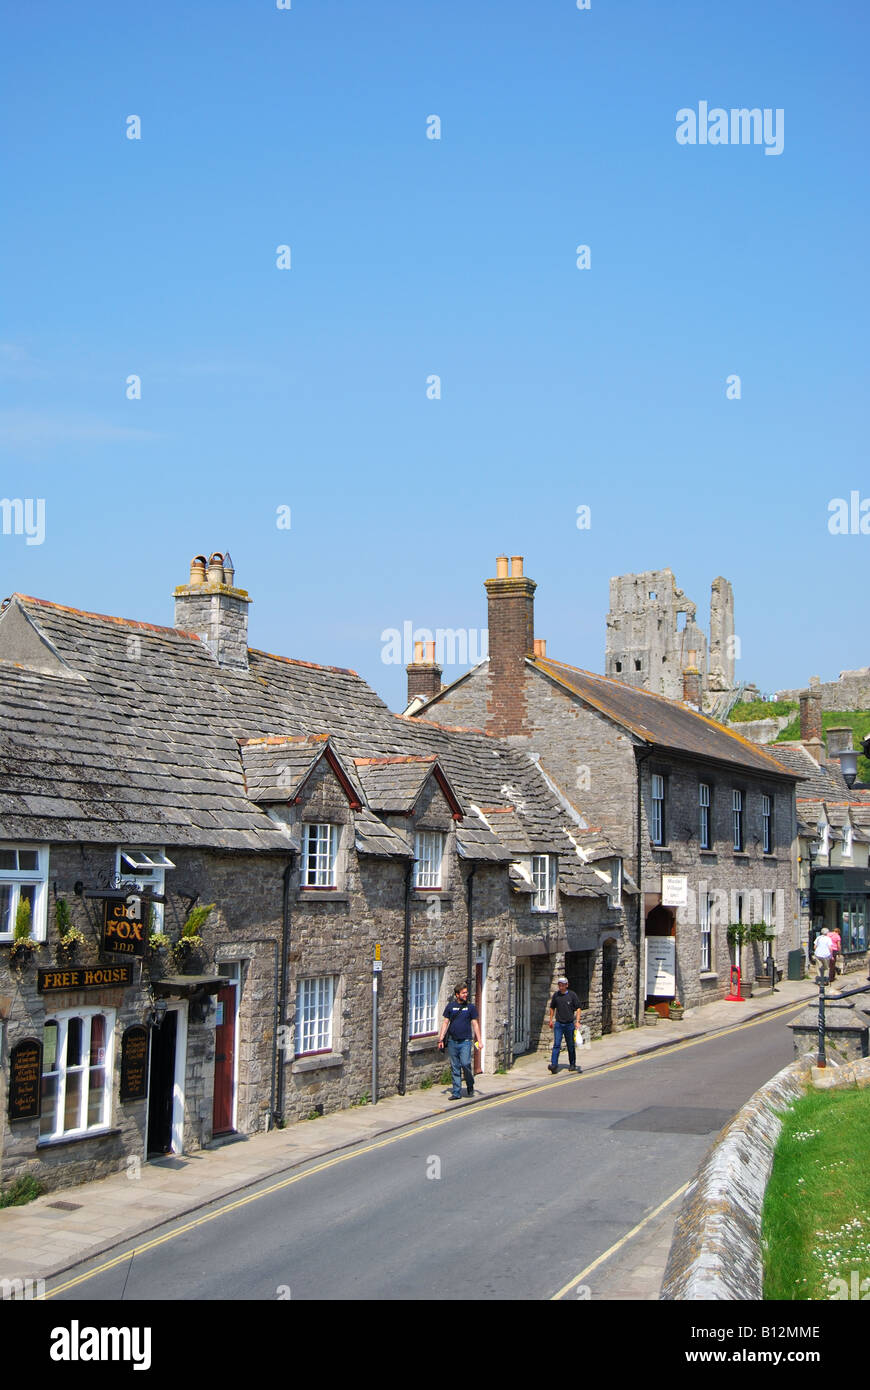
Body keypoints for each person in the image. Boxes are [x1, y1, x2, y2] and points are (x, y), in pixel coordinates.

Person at [438, 981, 481, 1099]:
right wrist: (441, 1039)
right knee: (455, 1066)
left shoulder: (470, 1008)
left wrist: (479, 1040)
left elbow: (475, 1024)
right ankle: (456, 1092)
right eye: (463, 993)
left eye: (466, 993)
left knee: (466, 1063)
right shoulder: (450, 1007)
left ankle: (470, 1083)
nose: (465, 995)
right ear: (457, 994)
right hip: (452, 1041)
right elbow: (445, 1022)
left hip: (466, 1041)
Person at [548, 976, 582, 1074]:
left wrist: (577, 1021)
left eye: (563, 985)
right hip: (559, 1024)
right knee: (556, 1045)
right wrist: (551, 1020)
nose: (561, 987)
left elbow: (578, 1008)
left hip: (569, 1024)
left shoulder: (572, 995)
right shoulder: (556, 995)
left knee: (570, 1045)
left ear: (567, 985)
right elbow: (552, 1007)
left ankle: (572, 1063)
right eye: (559, 985)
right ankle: (554, 1065)